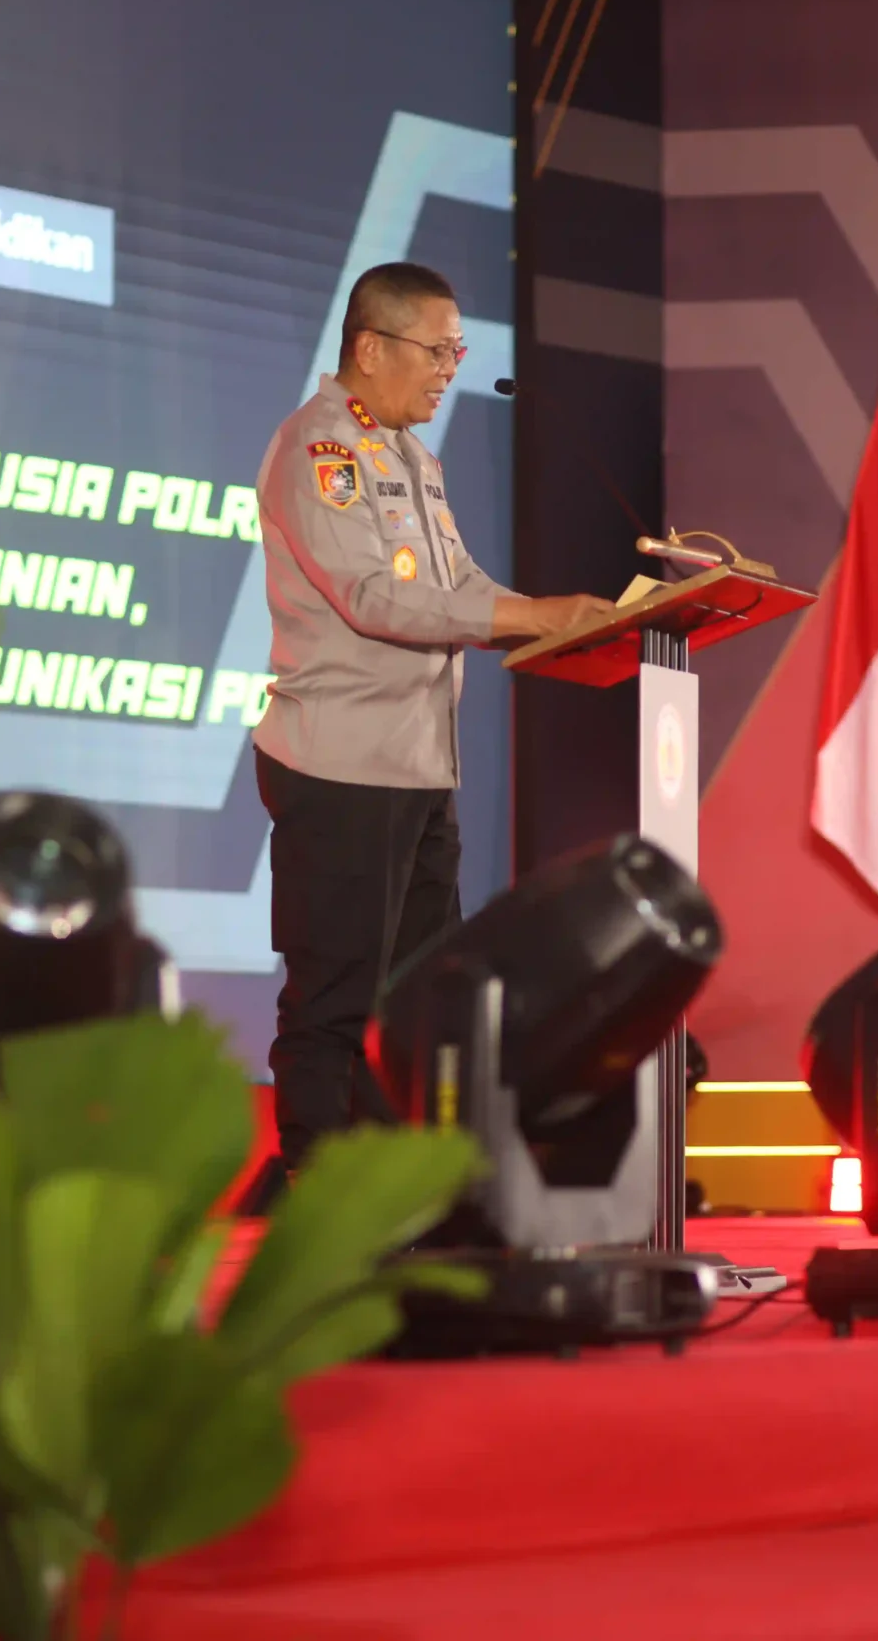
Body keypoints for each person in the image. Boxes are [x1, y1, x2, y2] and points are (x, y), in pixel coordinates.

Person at [253, 262, 618, 1171]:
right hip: (341, 767)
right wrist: (529, 616)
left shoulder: (412, 455)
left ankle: (398, 1197)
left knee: (418, 1008)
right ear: (371, 347)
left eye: (458, 350)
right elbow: (373, 597)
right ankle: (317, 1203)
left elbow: (458, 584)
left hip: (419, 766)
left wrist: (556, 617)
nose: (452, 367)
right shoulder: (320, 450)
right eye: (438, 349)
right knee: (336, 1002)